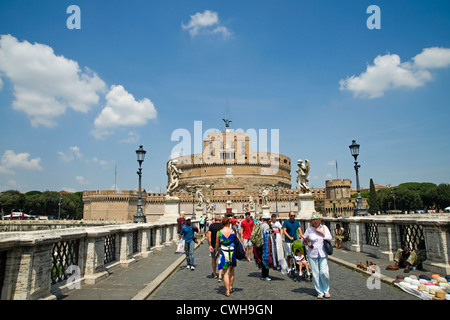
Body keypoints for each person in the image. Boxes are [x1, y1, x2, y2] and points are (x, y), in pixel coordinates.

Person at [303, 213, 332, 299]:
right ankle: (320, 291)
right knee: (316, 274)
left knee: (324, 272)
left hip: (323, 253)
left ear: (320, 220)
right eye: (313, 220)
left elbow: (330, 238)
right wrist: (305, 242)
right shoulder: (309, 230)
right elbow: (303, 240)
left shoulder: (324, 228)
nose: (315, 221)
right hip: (312, 254)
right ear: (311, 221)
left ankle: (326, 290)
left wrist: (322, 233)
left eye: (317, 220)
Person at [215, 217, 241, 297]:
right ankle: (230, 287)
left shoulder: (219, 232)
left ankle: (227, 291)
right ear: (229, 223)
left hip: (224, 252)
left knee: (225, 273)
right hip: (232, 252)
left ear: (222, 223)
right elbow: (238, 240)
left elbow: (217, 244)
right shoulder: (233, 231)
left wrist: (217, 250)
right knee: (232, 271)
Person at [208, 215, 223, 280]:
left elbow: (209, 236)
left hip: (214, 245)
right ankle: (220, 275)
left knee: (214, 259)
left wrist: (210, 245)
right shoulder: (223, 226)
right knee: (221, 260)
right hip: (222, 246)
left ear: (215, 219)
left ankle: (214, 273)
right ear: (221, 220)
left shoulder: (211, 226)